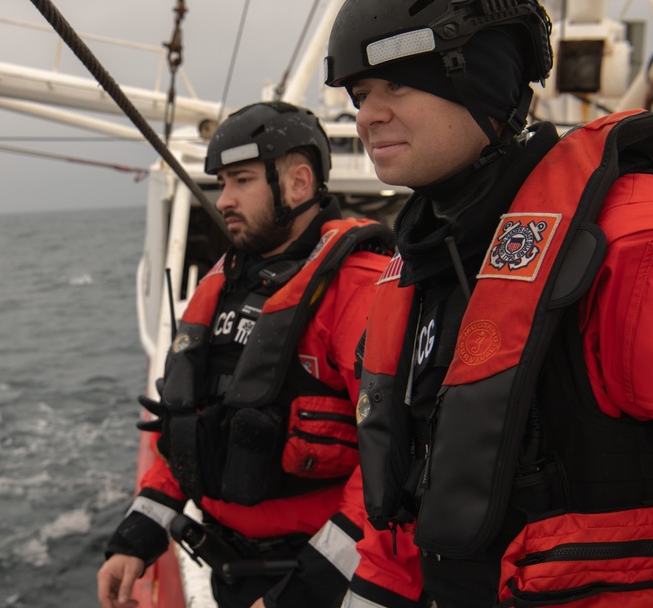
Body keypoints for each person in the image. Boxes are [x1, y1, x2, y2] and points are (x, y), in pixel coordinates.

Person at [323, 0, 653, 607]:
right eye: (360, 95)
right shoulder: (419, 267)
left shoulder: (643, 248)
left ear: (481, 79)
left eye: (396, 85)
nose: (366, 115)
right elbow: (410, 506)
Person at [96, 101, 425, 608]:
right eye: (222, 182)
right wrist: (138, 535)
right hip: (231, 574)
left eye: (241, 180)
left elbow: (395, 460)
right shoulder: (219, 286)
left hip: (319, 579)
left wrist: (304, 592)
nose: (223, 198)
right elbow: (185, 423)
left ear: (297, 183)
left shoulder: (358, 291)